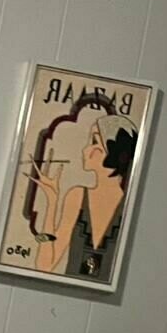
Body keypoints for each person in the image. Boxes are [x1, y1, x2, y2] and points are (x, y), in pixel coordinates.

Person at [27, 108, 138, 280]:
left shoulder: (131, 206)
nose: (86, 149)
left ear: (113, 151)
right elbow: (45, 265)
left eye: (94, 141)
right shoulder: (77, 196)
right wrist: (52, 202)